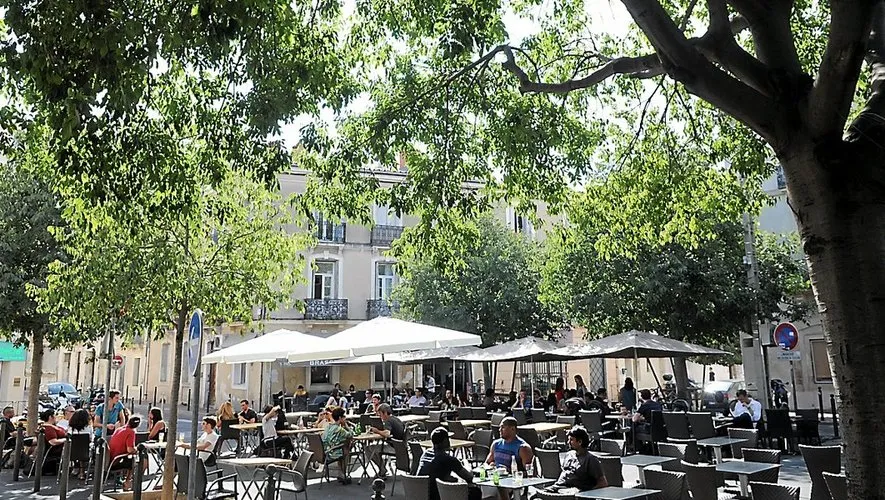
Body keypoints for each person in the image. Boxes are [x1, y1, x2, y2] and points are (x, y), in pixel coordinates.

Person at [419, 427, 481, 500]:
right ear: (445, 441)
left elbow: (434, 473)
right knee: (475, 491)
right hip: (438, 495)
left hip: (422, 494)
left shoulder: (426, 454)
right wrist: (466, 463)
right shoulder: (448, 459)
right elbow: (469, 477)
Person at [542, 426, 607, 494]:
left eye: (571, 440)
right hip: (558, 487)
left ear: (580, 442)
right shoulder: (569, 455)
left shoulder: (590, 460)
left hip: (572, 491)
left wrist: (586, 493)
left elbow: (603, 483)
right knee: (538, 495)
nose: (568, 442)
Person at [367, 403, 406, 477]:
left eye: (380, 414)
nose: (380, 417)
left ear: (385, 413)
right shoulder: (396, 419)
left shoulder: (388, 421)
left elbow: (387, 433)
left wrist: (377, 431)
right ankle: (382, 468)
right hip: (401, 446)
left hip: (394, 447)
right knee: (375, 448)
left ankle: (382, 469)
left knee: (369, 448)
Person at [321, 407, 354, 484]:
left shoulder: (328, 427)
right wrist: (346, 425)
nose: (345, 418)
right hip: (333, 453)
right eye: (344, 416)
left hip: (325, 451)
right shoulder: (339, 430)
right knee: (346, 450)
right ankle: (342, 474)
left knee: (342, 447)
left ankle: (340, 473)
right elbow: (351, 434)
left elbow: (324, 439)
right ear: (340, 418)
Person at [109, 414, 139, 490]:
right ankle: (128, 482)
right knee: (138, 461)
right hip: (116, 461)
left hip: (110, 459)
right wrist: (137, 449)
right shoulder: (131, 432)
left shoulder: (118, 429)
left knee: (130, 459)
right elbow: (130, 450)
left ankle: (127, 481)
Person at [68, 409, 92, 479]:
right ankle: (82, 472)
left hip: (71, 452)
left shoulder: (71, 429)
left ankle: (75, 467)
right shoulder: (89, 428)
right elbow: (91, 439)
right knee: (84, 448)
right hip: (84, 452)